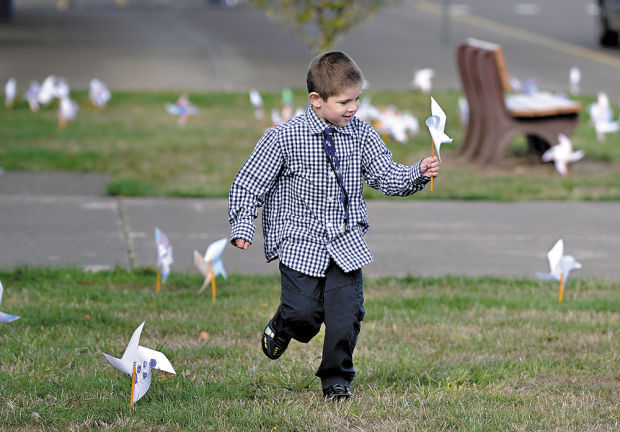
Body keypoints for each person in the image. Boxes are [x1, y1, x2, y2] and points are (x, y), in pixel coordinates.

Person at [228, 51, 439, 401]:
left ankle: (336, 379)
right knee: (303, 315)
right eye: (344, 101)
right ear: (317, 100)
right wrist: (242, 226)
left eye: (357, 98)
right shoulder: (284, 137)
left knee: (345, 316)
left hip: (345, 241)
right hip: (300, 241)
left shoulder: (362, 135)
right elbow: (249, 182)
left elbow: (386, 176)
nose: (353, 107)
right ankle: (283, 324)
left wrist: (417, 172)